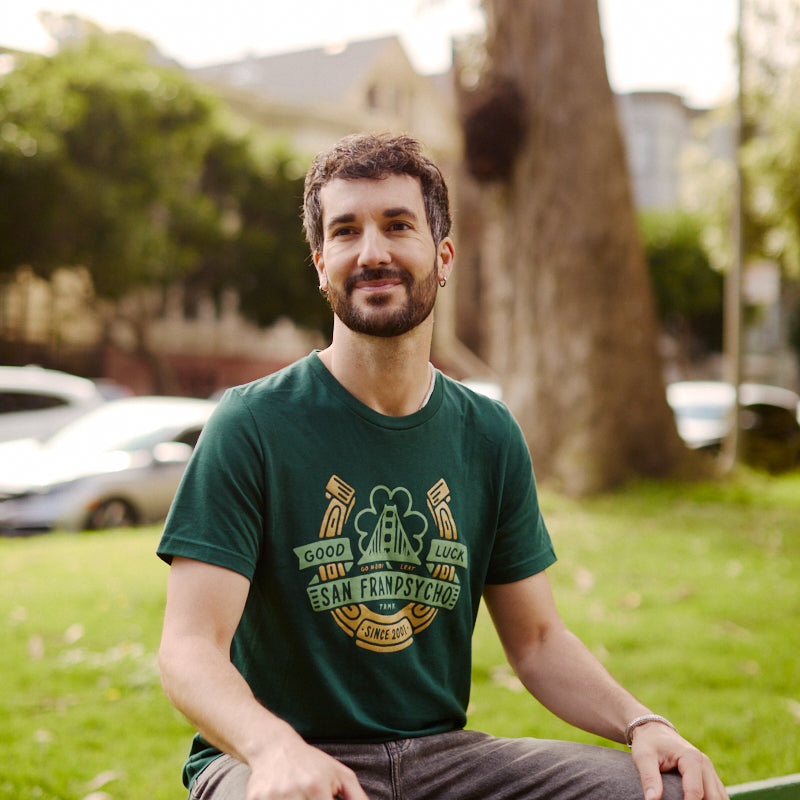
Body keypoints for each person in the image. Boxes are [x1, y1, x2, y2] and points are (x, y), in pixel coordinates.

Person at [157, 132, 728, 800]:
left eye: (398, 225)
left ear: (443, 255)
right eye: (346, 232)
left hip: (442, 760)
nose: (372, 253)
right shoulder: (252, 424)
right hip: (273, 760)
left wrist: (642, 722)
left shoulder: (487, 435)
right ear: (321, 263)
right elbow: (189, 648)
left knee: (662, 791)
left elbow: (538, 639)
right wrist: (275, 749)